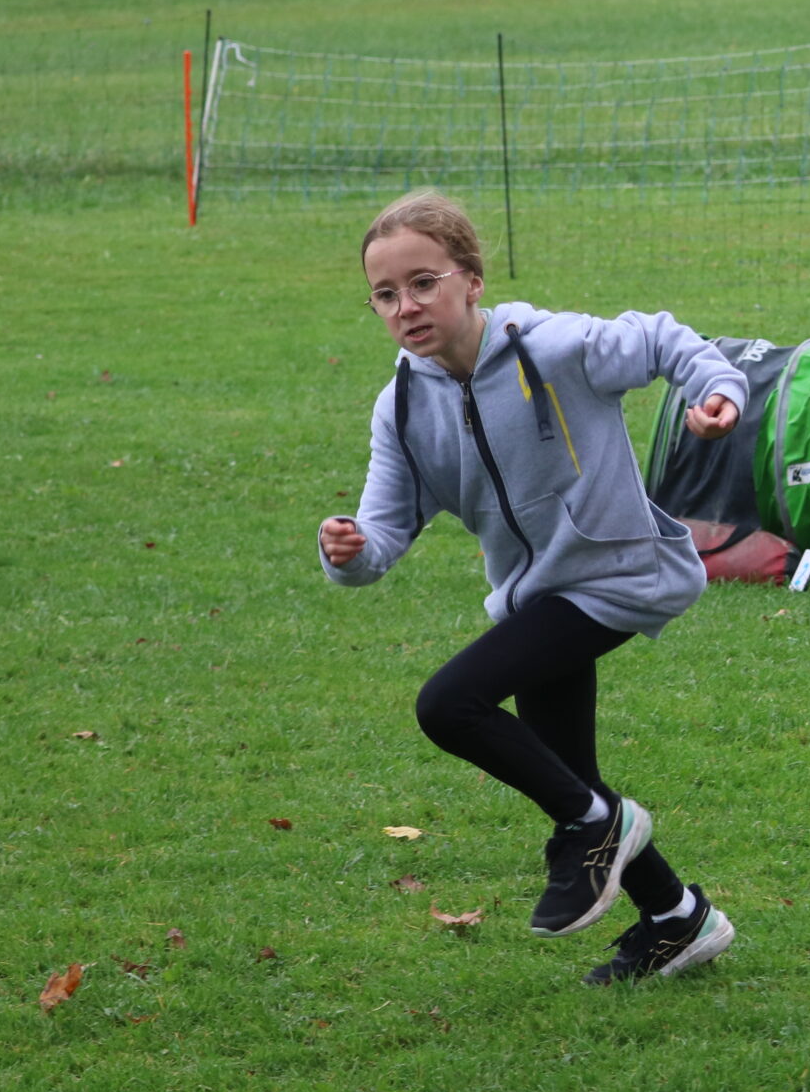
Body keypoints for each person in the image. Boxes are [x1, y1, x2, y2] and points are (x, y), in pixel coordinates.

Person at [317, 189, 746, 986]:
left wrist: (714, 391)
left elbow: (660, 338)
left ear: (471, 279)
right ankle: (677, 918)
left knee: (449, 704)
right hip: (535, 597)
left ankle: (598, 825)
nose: (405, 306)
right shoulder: (404, 406)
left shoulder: (553, 346)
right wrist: (348, 548)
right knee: (567, 775)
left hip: (621, 576)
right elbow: (381, 538)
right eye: (385, 294)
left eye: (423, 283)